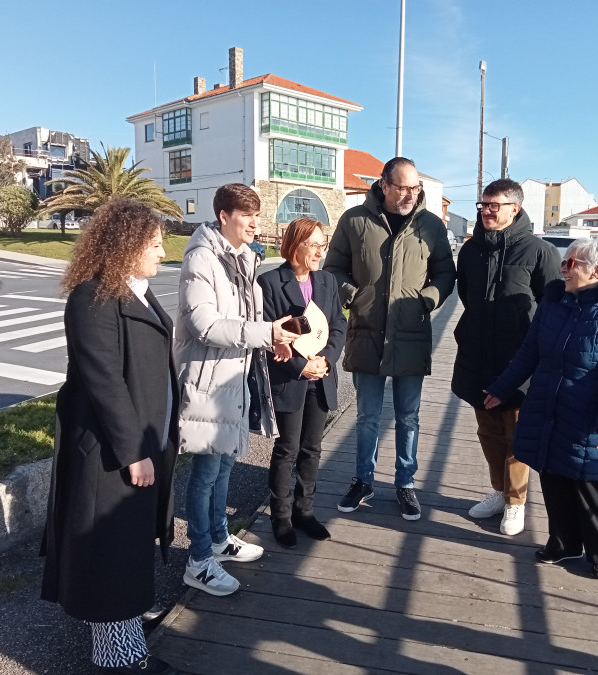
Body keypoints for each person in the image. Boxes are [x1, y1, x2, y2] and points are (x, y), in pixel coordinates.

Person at [41, 196, 178, 675]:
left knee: (128, 546)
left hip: (142, 442)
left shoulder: (134, 291)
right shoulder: (93, 297)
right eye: (155, 244)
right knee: (109, 556)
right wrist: (134, 452)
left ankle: (129, 621)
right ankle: (121, 660)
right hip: (110, 454)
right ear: (126, 245)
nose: (163, 252)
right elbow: (104, 381)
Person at [483, 238, 598, 579]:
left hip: (589, 413)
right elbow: (529, 352)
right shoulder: (554, 304)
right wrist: (502, 387)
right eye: (563, 262)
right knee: (552, 476)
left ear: (596, 271)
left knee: (590, 481)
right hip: (546, 405)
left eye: (572, 264)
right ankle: (565, 543)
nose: (563, 269)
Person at [175, 183, 299, 596]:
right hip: (210, 380)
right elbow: (204, 325)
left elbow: (247, 318)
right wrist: (266, 333)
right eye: (247, 216)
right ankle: (198, 561)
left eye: (257, 215)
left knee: (225, 464)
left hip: (235, 376)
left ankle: (217, 539)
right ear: (224, 215)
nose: (255, 224)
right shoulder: (201, 258)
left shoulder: (242, 258)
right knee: (207, 471)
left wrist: (274, 338)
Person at [324, 157, 456, 521]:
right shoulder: (354, 221)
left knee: (408, 417)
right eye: (402, 187)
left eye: (415, 188)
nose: (410, 194)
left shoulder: (430, 225)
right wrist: (353, 295)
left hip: (410, 333)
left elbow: (446, 272)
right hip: (366, 331)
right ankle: (363, 480)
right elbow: (332, 267)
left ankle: (405, 484)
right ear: (384, 185)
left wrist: (427, 300)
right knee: (366, 415)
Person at [451, 178, 560, 536]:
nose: (485, 211)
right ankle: (499, 491)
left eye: (493, 205)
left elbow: (551, 305)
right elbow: (467, 294)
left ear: (515, 208)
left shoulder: (538, 251)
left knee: (517, 434)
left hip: (520, 359)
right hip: (478, 354)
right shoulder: (470, 250)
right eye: (483, 205)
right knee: (488, 432)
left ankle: (516, 502)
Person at [258, 217, 347, 548]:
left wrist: (326, 359)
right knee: (287, 449)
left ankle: (304, 512)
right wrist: (301, 367)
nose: (319, 252)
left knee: (312, 448)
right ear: (294, 245)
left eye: (322, 245)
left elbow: (338, 323)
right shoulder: (269, 283)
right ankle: (280, 517)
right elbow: (267, 337)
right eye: (313, 245)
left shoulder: (327, 281)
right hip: (290, 379)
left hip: (322, 376)